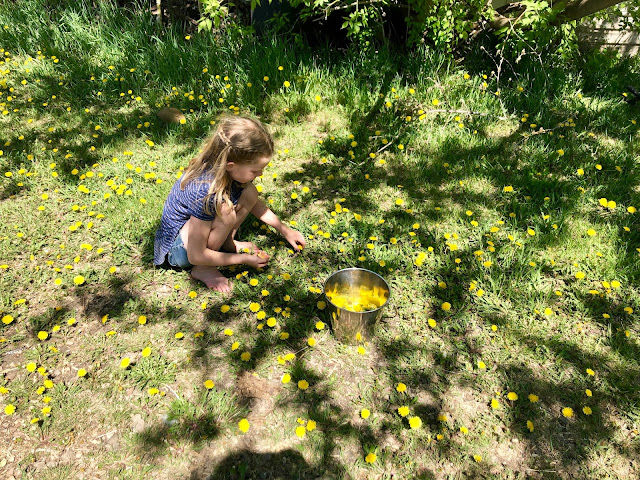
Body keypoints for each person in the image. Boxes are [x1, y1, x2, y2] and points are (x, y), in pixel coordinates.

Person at [154, 115, 306, 293]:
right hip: (179, 250)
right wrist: (244, 260)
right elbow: (195, 255)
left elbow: (255, 204)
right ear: (231, 165)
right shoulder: (204, 190)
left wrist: (285, 230)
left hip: (193, 239)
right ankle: (203, 269)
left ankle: (227, 244)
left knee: (249, 192)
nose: (260, 174)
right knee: (225, 211)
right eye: (255, 170)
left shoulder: (227, 171)